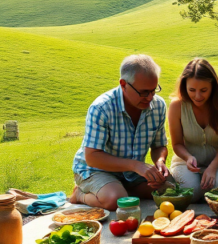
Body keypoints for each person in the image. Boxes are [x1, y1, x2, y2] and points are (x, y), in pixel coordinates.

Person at [70, 55, 170, 211]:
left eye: (154, 90)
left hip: (132, 173)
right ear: (123, 84)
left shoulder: (158, 106)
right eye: (144, 92)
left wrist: (160, 162)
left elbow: (159, 146)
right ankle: (80, 194)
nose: (150, 97)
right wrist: (136, 165)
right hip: (96, 169)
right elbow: (92, 157)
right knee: (115, 201)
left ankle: (121, 190)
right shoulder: (102, 108)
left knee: (169, 190)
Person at [168, 58, 218, 201]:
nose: (198, 96)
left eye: (204, 90)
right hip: (185, 162)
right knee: (193, 193)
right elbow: (176, 144)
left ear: (213, 86)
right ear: (184, 86)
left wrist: (213, 167)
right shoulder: (176, 106)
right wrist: (188, 157)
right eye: (192, 90)